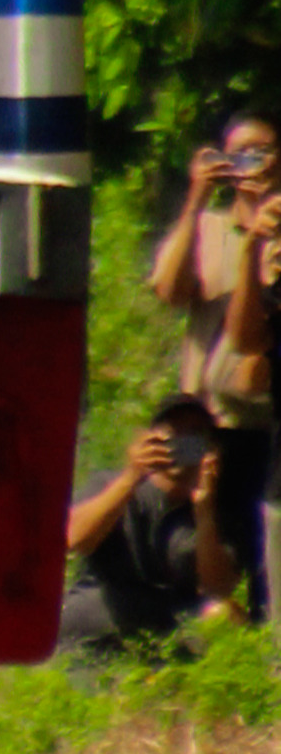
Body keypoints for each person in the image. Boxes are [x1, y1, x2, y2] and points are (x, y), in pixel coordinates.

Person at [143, 112, 276, 608]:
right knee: (205, 545)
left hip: (267, 422)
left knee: (267, 548)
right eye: (242, 153)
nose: (255, 164)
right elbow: (167, 289)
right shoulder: (210, 228)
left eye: (264, 151)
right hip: (211, 419)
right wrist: (197, 195)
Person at [62, 398, 245, 652]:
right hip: (99, 620)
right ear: (149, 439)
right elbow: (74, 540)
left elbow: (219, 587)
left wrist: (204, 508)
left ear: (211, 447)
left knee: (227, 614)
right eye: (171, 433)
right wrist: (132, 477)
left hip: (167, 629)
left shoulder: (215, 512)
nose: (181, 443)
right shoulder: (110, 484)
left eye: (194, 435)